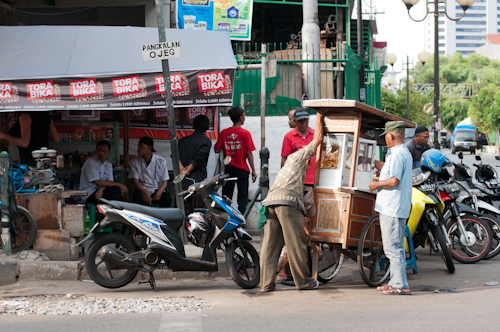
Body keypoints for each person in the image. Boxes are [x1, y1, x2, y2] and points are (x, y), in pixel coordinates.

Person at [259, 112, 324, 292]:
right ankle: (303, 282)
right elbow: (317, 141)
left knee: (270, 245)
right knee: (296, 243)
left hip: (271, 201)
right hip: (287, 202)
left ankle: (265, 283)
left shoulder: (286, 166)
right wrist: (320, 115)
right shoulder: (299, 156)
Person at [369, 121, 413, 296]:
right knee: (395, 247)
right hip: (396, 206)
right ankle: (396, 281)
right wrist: (373, 163)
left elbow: (394, 181)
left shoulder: (396, 155)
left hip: (392, 207)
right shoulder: (402, 153)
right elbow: (390, 170)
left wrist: (376, 184)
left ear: (391, 135)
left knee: (392, 248)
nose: (385, 139)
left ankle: (400, 285)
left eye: (386, 136)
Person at [214, 106, 257, 214]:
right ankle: (241, 219)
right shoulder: (245, 133)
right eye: (243, 115)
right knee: (242, 198)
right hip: (242, 170)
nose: (244, 117)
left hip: (229, 170)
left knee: (226, 196)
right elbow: (249, 154)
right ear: (240, 118)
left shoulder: (224, 133)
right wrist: (253, 170)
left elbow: (216, 149)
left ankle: (226, 218)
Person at [178, 114, 212, 215]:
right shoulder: (206, 141)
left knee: (184, 213)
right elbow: (198, 159)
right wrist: (186, 171)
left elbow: (175, 157)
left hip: (183, 183)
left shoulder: (182, 141)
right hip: (198, 184)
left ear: (193, 126)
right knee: (198, 214)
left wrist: (182, 171)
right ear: (208, 127)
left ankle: (183, 231)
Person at [80, 140, 128, 205]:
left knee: (114, 190)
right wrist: (118, 184)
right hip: (89, 193)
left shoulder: (108, 165)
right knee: (114, 190)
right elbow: (98, 182)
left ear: (108, 153)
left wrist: (101, 189)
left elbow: (110, 182)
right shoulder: (90, 162)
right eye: (99, 151)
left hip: (101, 191)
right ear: (96, 152)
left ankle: (118, 210)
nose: (101, 153)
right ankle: (121, 210)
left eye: (104, 151)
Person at [129, 136, 172, 207]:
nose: (138, 148)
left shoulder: (161, 161)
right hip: (142, 189)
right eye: (138, 146)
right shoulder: (134, 161)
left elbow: (165, 181)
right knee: (137, 198)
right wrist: (144, 193)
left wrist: (159, 192)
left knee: (167, 199)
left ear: (149, 148)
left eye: (141, 146)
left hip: (156, 189)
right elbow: (135, 181)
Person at [281, 108, 316, 186]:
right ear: (295, 122)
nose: (304, 123)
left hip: (314, 179)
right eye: (300, 121)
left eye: (305, 120)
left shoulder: (316, 135)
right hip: (296, 180)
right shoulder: (289, 136)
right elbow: (284, 158)